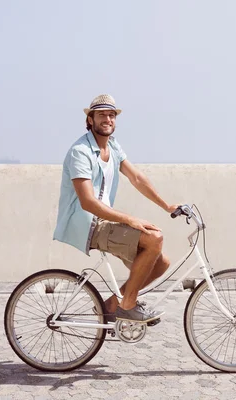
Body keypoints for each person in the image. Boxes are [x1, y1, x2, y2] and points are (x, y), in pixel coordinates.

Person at [53, 94, 179, 324]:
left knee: (162, 263)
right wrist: (130, 220)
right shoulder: (80, 152)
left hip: (102, 220)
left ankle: (113, 304)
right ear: (90, 119)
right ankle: (128, 305)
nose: (108, 119)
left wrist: (166, 205)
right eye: (101, 114)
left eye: (111, 115)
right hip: (87, 224)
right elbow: (88, 202)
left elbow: (137, 178)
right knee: (154, 239)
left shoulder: (113, 146)